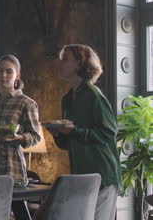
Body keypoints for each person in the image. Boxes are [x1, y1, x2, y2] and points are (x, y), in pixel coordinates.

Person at [43, 44, 121, 220]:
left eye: (66, 59)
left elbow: (108, 133)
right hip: (81, 175)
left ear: (79, 64)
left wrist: (74, 131)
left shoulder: (94, 95)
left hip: (102, 173)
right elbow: (67, 143)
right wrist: (57, 133)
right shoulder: (67, 100)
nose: (60, 63)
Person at [0, 54, 41, 181]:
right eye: (0, 70)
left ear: (17, 76)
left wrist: (18, 137)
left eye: (9, 71)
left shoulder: (26, 103)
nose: (3, 75)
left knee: (12, 201)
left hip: (12, 166)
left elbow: (35, 137)